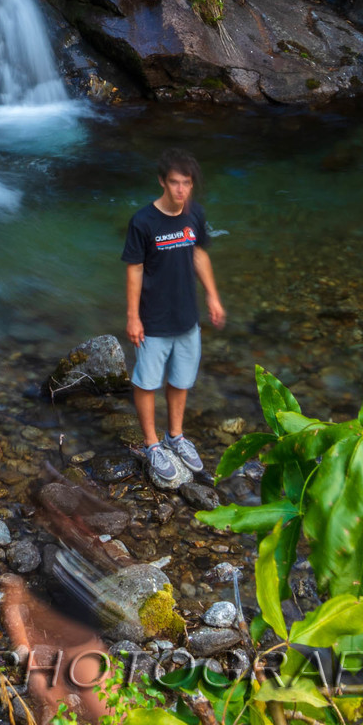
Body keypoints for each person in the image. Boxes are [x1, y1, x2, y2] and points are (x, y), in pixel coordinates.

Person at [122, 148, 225, 486]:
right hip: (153, 319)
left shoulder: (194, 214)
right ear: (162, 182)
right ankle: (152, 444)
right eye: (175, 183)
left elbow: (199, 255)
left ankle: (175, 437)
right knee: (147, 382)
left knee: (181, 380)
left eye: (187, 184)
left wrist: (212, 295)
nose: (181, 190)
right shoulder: (143, 222)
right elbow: (134, 270)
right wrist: (133, 317)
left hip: (187, 317)